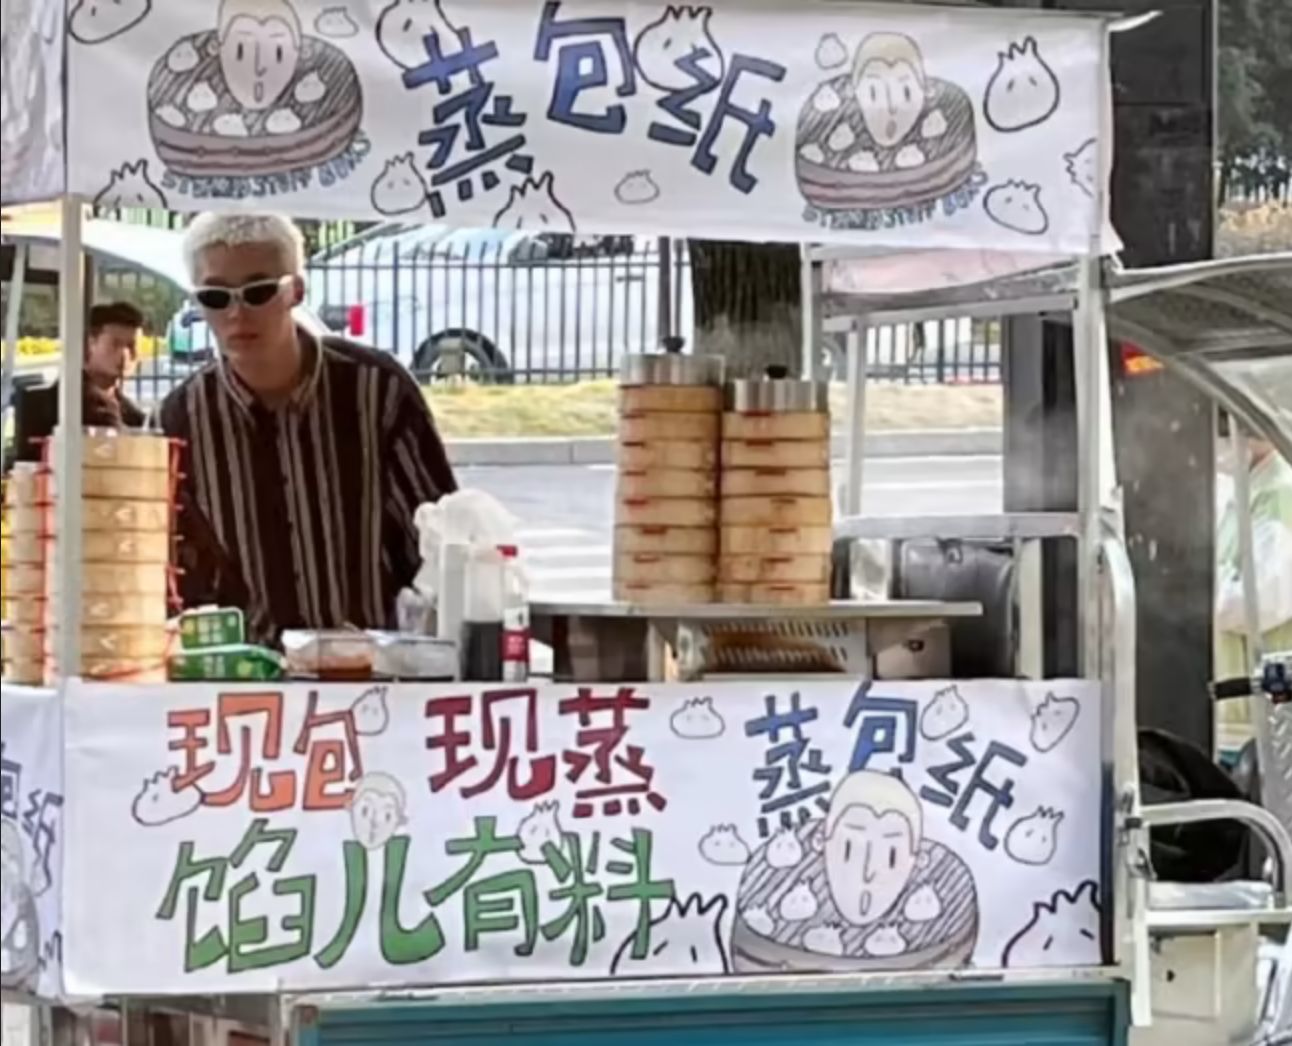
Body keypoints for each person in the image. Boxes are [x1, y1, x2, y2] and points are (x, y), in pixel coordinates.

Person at [160, 212, 457, 643]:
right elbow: (173, 566)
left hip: (370, 671)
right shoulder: (181, 418)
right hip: (242, 676)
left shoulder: (377, 390)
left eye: (258, 292)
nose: (237, 313)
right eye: (216, 296)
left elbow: (437, 537)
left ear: (296, 290)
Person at [1215, 429, 1292, 750]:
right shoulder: (1249, 491)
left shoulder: (1280, 493)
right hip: (1239, 720)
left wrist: (1192, 591)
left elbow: (1260, 603)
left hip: (1265, 723)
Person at [13, 301, 147, 462]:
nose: (125, 355)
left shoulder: (133, 414)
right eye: (115, 344)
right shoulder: (68, 401)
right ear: (92, 343)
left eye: (131, 346)